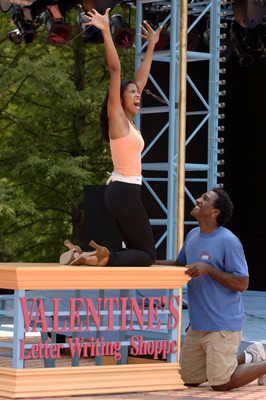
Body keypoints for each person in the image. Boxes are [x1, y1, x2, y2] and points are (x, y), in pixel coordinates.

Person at [61, 8, 162, 267]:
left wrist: (151, 46)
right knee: (148, 255)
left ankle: (91, 256)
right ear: (119, 98)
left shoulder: (129, 122)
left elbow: (141, 77)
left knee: (139, 250)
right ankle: (94, 256)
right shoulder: (116, 118)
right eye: (132, 93)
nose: (138, 95)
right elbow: (115, 69)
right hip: (124, 189)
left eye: (138, 93)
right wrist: (106, 31)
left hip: (123, 191)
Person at [157, 188, 266, 390]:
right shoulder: (192, 235)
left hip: (222, 325)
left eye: (205, 199)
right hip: (197, 326)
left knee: (221, 383)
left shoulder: (229, 241)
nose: (198, 199)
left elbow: (243, 283)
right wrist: (148, 262)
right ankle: (252, 354)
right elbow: (180, 265)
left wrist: (209, 270)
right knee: (186, 380)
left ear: (215, 212)